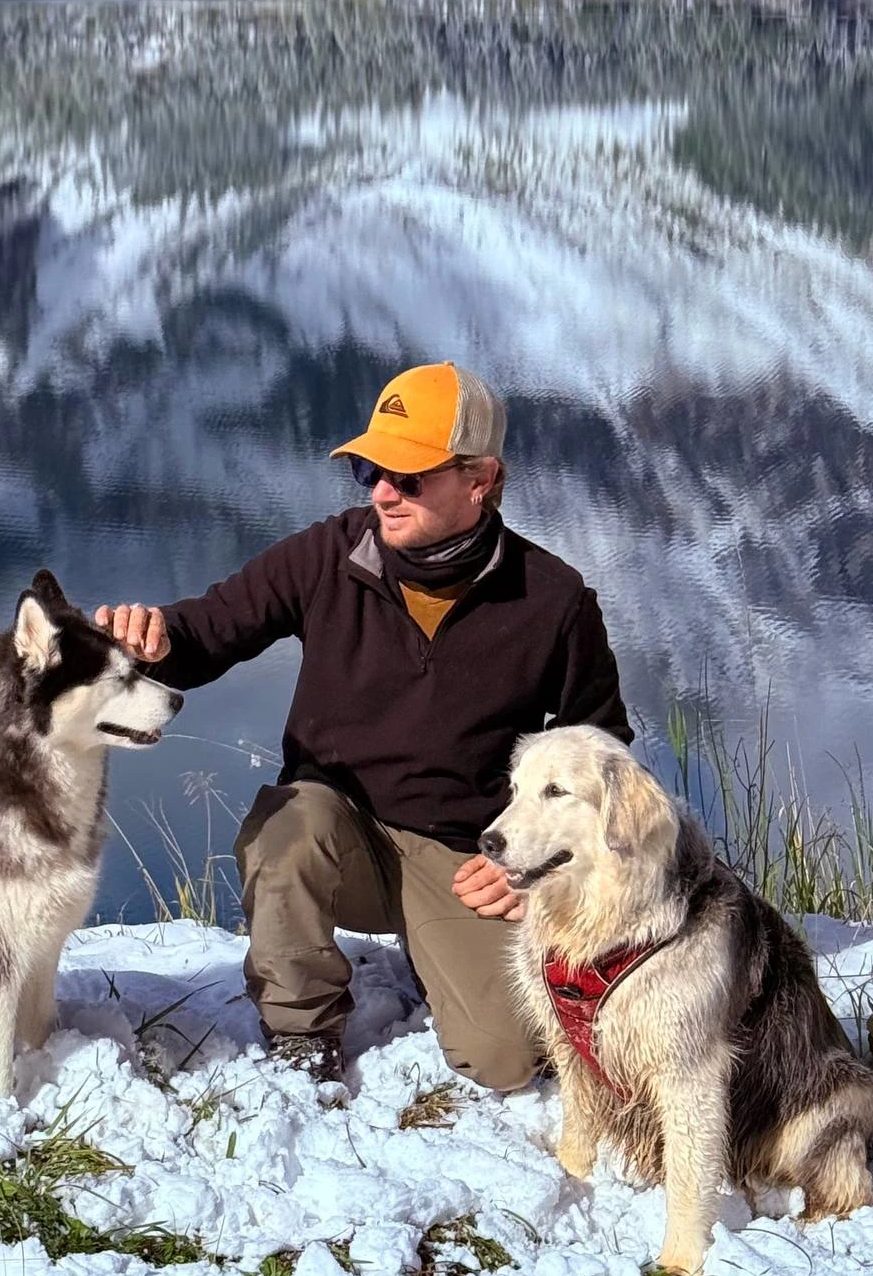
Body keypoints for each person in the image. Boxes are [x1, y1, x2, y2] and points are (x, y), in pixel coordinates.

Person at [96, 361, 631, 1091]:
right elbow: (208, 631)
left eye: (409, 477)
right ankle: (301, 1036)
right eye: (371, 470)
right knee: (287, 826)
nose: (383, 491)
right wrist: (152, 642)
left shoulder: (554, 600)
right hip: (333, 833)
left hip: (461, 856)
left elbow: (603, 762)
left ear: (480, 479)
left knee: (507, 1060)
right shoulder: (330, 553)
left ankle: (435, 945)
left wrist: (539, 869)